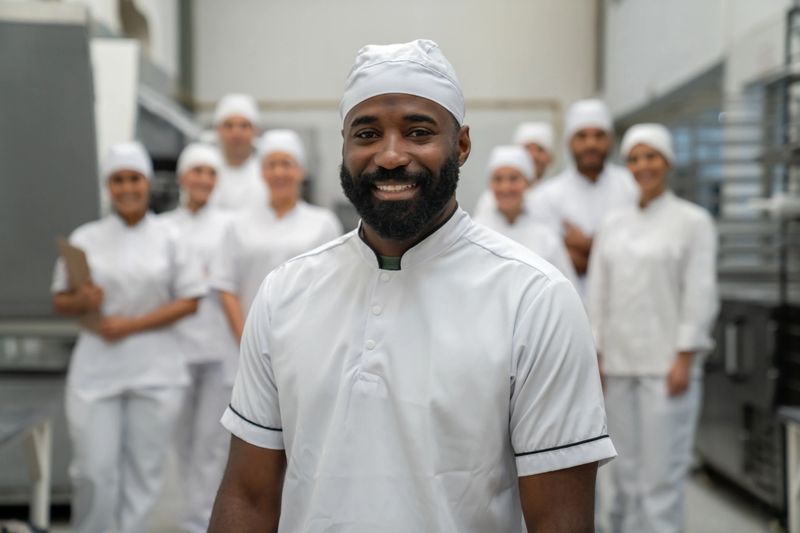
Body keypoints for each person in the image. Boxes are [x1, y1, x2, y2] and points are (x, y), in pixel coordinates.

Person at [209, 39, 615, 533]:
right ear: (344, 144)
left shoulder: (533, 299)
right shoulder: (285, 294)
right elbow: (248, 497)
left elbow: (559, 521)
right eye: (367, 133)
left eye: (419, 131)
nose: (391, 156)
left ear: (461, 145)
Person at [51, 141, 206, 533]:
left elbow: (190, 300)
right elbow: (61, 300)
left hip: (156, 369)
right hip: (97, 369)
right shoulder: (86, 237)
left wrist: (131, 326)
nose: (126, 188)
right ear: (108, 186)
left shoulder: (171, 237)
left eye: (134, 178)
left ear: (147, 183)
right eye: (117, 180)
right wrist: (81, 299)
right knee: (93, 470)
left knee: (143, 474)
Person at [587, 124, 718, 533]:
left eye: (651, 156)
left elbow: (700, 292)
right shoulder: (614, 223)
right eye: (635, 158)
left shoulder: (692, 222)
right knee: (622, 474)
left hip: (668, 368)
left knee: (661, 476)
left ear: (667, 162)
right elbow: (598, 292)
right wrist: (598, 353)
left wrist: (685, 355)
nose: (643, 165)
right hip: (619, 366)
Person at [159, 143, 239, 533]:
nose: (203, 179)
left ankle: (200, 522)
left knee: (211, 442)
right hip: (173, 346)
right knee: (181, 440)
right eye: (197, 172)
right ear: (182, 177)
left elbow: (231, 282)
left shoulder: (229, 224)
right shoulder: (162, 227)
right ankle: (188, 514)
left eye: (210, 173)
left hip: (219, 346)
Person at [211, 129, 343, 342]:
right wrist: (247, 340)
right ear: (261, 172)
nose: (279, 173)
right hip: (246, 341)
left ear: (300, 171)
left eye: (286, 164)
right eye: (271, 165)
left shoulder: (323, 223)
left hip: (306, 341)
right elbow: (226, 286)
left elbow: (333, 287)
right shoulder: (237, 225)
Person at [528, 99, 638, 295]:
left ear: (610, 140)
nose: (591, 143)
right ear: (569, 142)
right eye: (582, 136)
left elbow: (639, 257)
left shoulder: (632, 187)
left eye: (599, 135)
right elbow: (549, 261)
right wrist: (609, 251)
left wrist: (586, 245)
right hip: (565, 302)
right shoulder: (545, 196)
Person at [474, 144, 578, 288]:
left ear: (527, 183)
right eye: (498, 179)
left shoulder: (545, 236)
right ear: (490, 184)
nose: (505, 187)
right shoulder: (476, 233)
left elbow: (566, 287)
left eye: (513, 179)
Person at [473, 121, 554, 218]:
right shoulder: (487, 202)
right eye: (527, 148)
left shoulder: (554, 197)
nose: (533, 156)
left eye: (540, 149)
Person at [208, 93, 269, 211]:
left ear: (255, 131)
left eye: (244, 126)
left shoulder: (268, 175)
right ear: (217, 130)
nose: (236, 133)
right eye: (229, 126)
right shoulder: (202, 174)